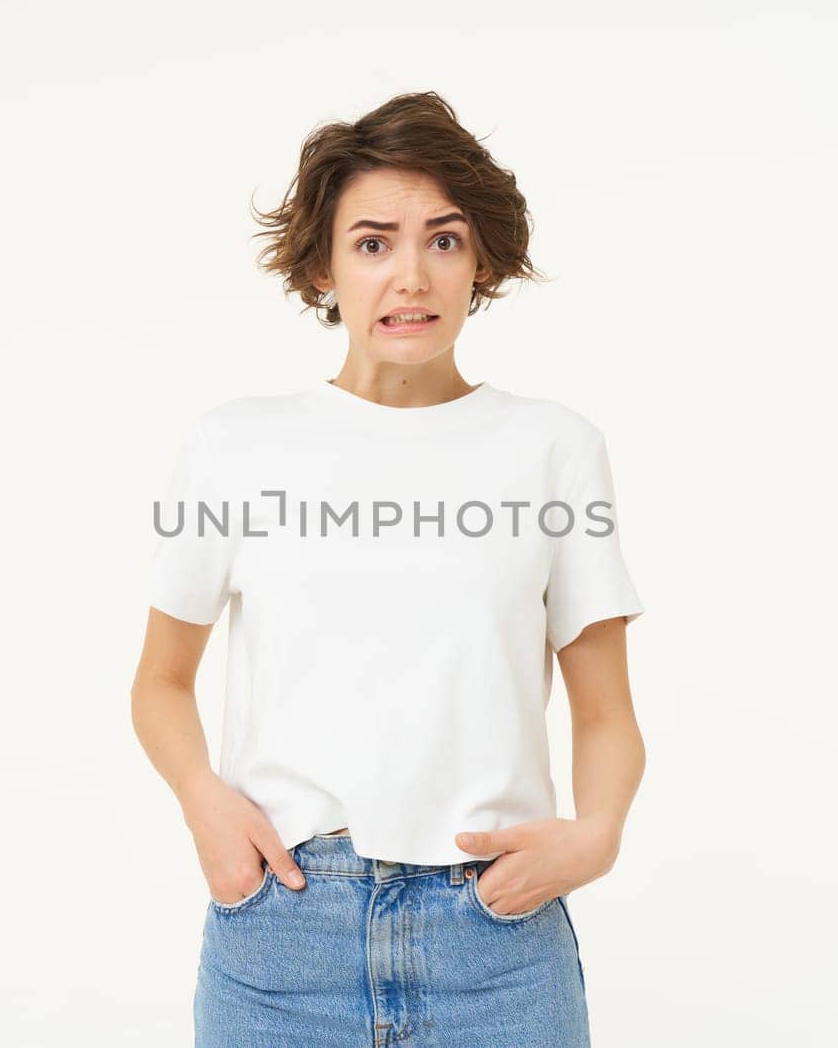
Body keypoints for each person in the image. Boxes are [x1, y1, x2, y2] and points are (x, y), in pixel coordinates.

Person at [130, 92, 646, 1047]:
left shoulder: (554, 448)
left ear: (481, 259)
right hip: (283, 939)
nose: (411, 275)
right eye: (373, 243)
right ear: (324, 265)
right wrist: (208, 807)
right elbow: (160, 682)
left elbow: (607, 711)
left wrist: (595, 833)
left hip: (497, 947)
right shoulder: (234, 446)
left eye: (443, 240)